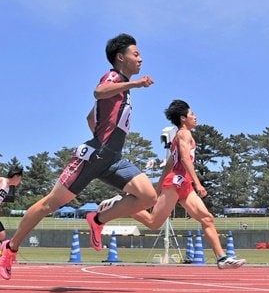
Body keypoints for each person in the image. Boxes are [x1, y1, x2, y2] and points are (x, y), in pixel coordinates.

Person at [0, 33, 157, 280]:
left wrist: (105, 137)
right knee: (50, 204)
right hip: (93, 157)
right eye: (135, 54)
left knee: (148, 196)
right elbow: (98, 91)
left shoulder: (122, 89)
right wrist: (134, 85)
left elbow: (90, 117)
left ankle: (98, 219)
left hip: (113, 159)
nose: (141, 59)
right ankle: (11, 247)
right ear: (120, 57)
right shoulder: (114, 78)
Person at [99, 100, 245, 269]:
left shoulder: (180, 136)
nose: (195, 117)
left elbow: (169, 163)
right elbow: (184, 159)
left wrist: (158, 186)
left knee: (207, 218)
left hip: (183, 183)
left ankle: (222, 258)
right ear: (183, 118)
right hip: (176, 182)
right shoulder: (184, 134)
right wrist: (198, 183)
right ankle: (118, 203)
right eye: (192, 114)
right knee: (153, 223)